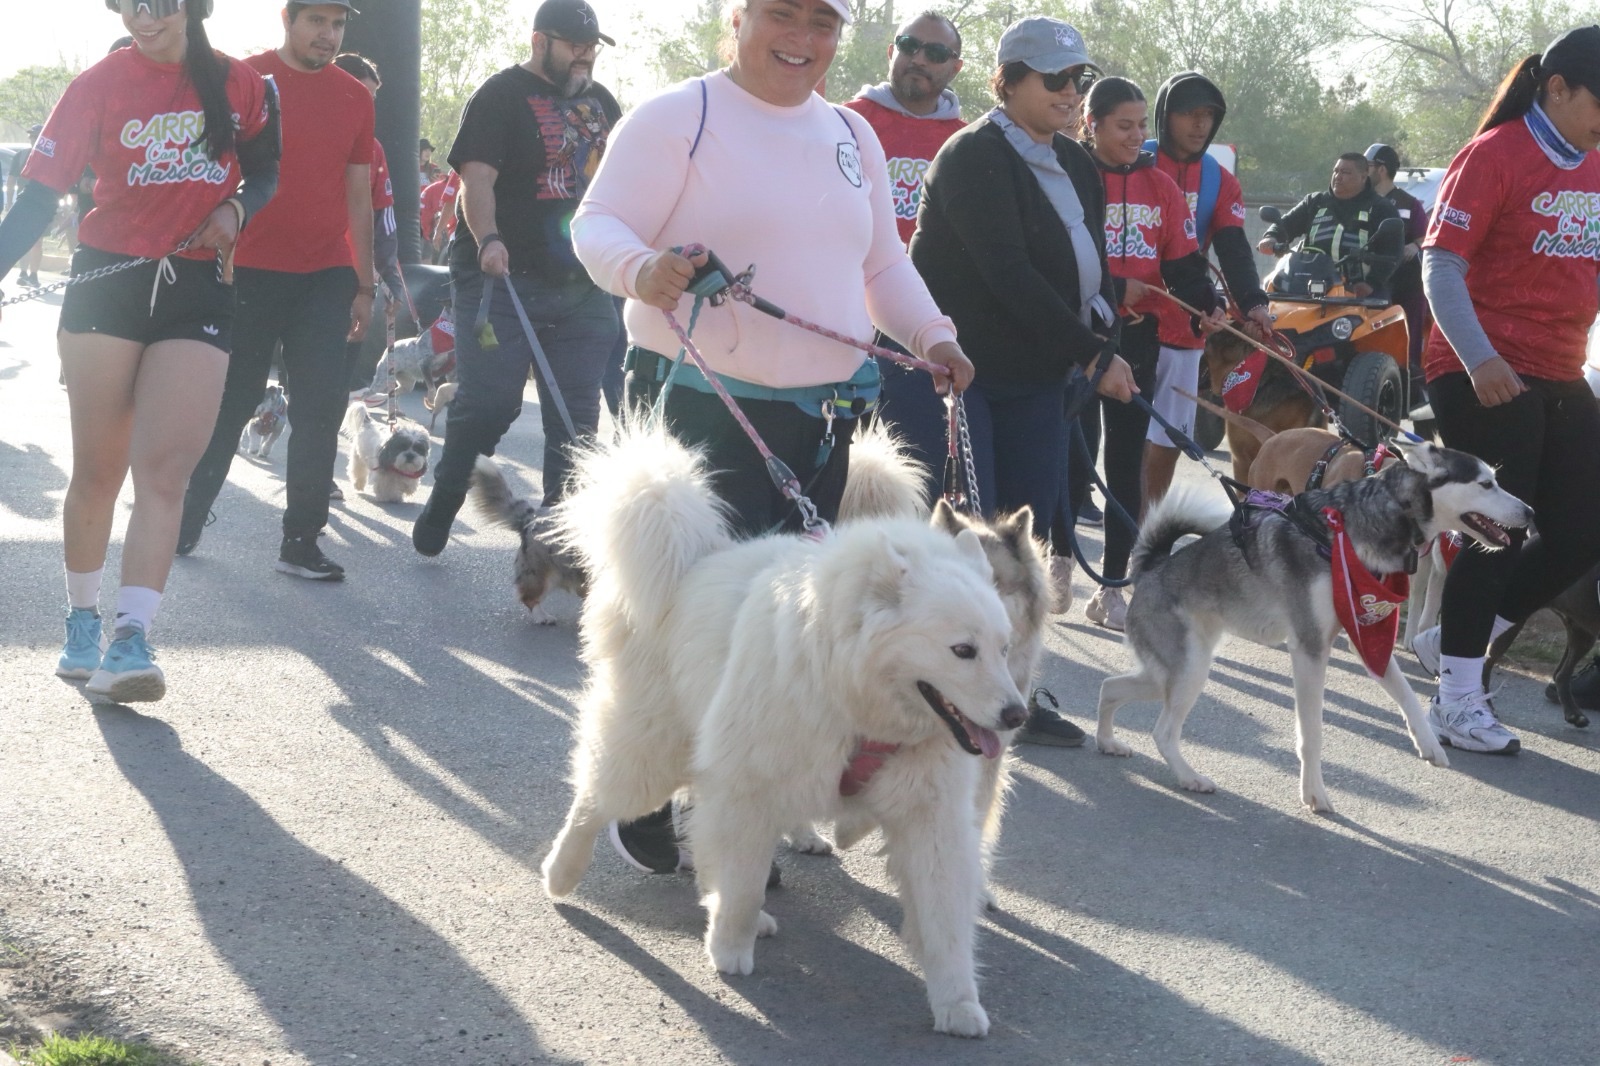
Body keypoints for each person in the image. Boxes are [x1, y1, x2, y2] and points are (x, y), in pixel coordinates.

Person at [571, 0, 975, 870]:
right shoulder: (681, 115)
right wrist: (646, 269)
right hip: (701, 401)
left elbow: (880, 263)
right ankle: (642, 790)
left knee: (790, 632)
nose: (802, 39)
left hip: (824, 419)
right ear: (740, 18)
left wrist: (933, 336)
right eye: (781, 14)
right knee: (680, 619)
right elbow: (596, 225)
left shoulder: (849, 133)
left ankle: (750, 805)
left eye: (822, 23)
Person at [0, 0, 277, 702]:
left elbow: (266, 171)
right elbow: (36, 201)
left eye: (155, 4)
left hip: (198, 287)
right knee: (99, 469)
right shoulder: (95, 85)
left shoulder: (238, 82)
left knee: (165, 473)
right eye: (126, 4)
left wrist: (237, 209)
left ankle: (131, 640)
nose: (140, 18)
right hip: (106, 286)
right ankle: (82, 623)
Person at [911, 17, 1137, 742]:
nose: (1071, 94)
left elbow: (1084, 268)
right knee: (967, 544)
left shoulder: (1074, 162)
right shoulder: (972, 155)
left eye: (1078, 79)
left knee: (1026, 545)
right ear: (1005, 83)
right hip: (962, 373)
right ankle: (938, 693)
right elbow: (1008, 274)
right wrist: (1091, 355)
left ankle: (1019, 693)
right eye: (1053, 80)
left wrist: (1103, 335)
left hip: (1037, 377)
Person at [1408, 26, 1600, 755]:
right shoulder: (1495, 156)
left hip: (1558, 367)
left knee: (1581, 525)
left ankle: (1453, 643)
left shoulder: (1594, 163)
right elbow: (1441, 265)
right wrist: (1481, 358)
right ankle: (1458, 699)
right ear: (1557, 89)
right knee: (1498, 528)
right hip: (1479, 369)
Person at [409, 0, 623, 557]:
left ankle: (561, 545)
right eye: (574, 46)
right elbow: (474, 181)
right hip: (500, 276)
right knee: (491, 403)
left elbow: (620, 186)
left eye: (591, 47)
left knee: (576, 422)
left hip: (583, 285)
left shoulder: (602, 104)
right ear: (539, 42)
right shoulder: (500, 95)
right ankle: (448, 494)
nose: (585, 57)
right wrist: (489, 239)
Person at [178, 0, 375, 579]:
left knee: (319, 407)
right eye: (316, 21)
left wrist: (366, 284)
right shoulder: (243, 77)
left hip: (327, 273)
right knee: (233, 402)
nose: (328, 34)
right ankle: (187, 519)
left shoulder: (356, 96)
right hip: (250, 268)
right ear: (287, 20)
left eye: (337, 24)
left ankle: (300, 542)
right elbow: (208, 168)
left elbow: (358, 194)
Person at [1077, 76, 1220, 632]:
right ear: (1092, 124)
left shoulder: (1160, 185)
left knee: (1125, 462)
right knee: (1072, 450)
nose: (1138, 136)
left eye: (1142, 125)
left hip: (1136, 340)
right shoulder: (1073, 176)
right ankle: (1061, 555)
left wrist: (1205, 304)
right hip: (1072, 334)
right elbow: (1058, 262)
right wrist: (1116, 288)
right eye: (1123, 125)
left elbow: (1184, 264)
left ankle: (1115, 586)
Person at [842, 9, 967, 493]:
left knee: (912, 468)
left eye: (935, 53)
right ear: (891, 51)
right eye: (909, 45)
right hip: (844, 317)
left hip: (919, 323)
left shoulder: (965, 141)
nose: (919, 59)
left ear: (954, 67)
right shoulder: (848, 120)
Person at [1149, 72, 1270, 334]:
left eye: (1208, 114)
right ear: (1165, 115)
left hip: (1190, 322)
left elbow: (1233, 250)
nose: (1200, 123)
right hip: (1123, 322)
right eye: (1189, 113)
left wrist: (1254, 303)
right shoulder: (1133, 164)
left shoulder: (1220, 181)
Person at [334, 50, 406, 391]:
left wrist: (388, 277)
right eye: (361, 94)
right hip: (298, 271)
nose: (368, 106)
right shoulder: (294, 131)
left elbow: (385, 221)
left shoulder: (374, 150)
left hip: (353, 277)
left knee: (344, 362)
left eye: (372, 98)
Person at [1258, 152, 1402, 297]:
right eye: (1336, 171)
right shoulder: (1315, 202)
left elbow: (1393, 252)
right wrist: (1271, 237)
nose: (1338, 177)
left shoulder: (1381, 208)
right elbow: (1286, 224)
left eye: (1345, 172)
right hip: (1307, 286)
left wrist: (1372, 283)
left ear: (1363, 177)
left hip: (1357, 292)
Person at [1364, 142, 1430, 400]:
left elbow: (1428, 235)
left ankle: (1408, 392)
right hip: (1369, 285)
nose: (1362, 171)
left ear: (1381, 170)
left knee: (1407, 340)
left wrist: (1415, 244)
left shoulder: (1409, 203)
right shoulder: (1360, 201)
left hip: (1406, 286)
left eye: (1367, 166)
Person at [5, 126, 47, 288]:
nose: (33, 140)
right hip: (23, 203)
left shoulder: (49, 158)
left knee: (37, 241)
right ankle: (23, 272)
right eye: (31, 137)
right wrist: (9, 203)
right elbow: (11, 181)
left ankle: (33, 274)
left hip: (42, 205)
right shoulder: (20, 156)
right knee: (22, 239)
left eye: (36, 137)